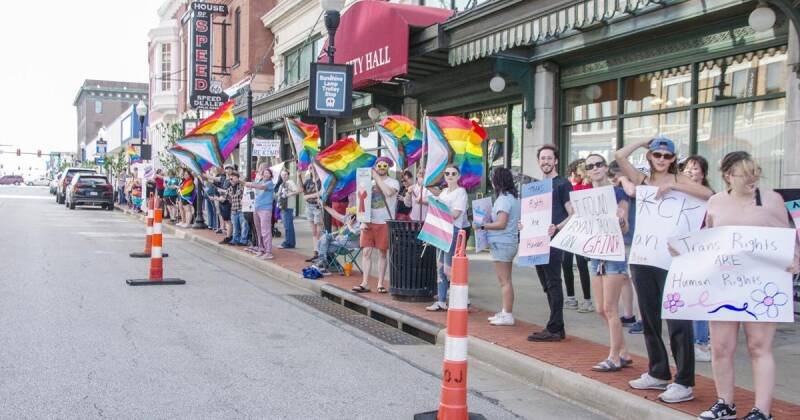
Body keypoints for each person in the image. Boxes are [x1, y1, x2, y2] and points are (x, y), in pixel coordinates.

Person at [696, 152, 799, 420]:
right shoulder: (715, 202)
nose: (753, 178)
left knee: (758, 346)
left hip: (761, 284)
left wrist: (795, 258)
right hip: (725, 283)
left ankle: (762, 411)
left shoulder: (772, 200)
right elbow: (708, 237)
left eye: (756, 171)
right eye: (745, 173)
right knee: (721, 346)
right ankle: (725, 404)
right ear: (728, 175)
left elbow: (790, 236)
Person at [615, 136, 713, 403]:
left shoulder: (680, 180)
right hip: (643, 256)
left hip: (672, 260)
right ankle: (658, 371)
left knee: (678, 320)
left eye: (667, 156)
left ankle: (683, 380)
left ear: (673, 159)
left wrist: (673, 185)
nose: (661, 160)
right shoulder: (643, 180)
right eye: (657, 155)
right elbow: (619, 155)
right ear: (650, 156)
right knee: (649, 318)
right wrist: (643, 141)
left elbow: (709, 195)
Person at [579, 154, 633, 372]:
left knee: (610, 308)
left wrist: (620, 219)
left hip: (612, 254)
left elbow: (625, 228)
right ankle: (624, 351)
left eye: (599, 164)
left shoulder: (618, 193)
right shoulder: (584, 196)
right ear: (586, 171)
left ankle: (614, 356)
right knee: (601, 309)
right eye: (590, 166)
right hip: (595, 255)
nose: (595, 168)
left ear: (605, 168)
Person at [527, 145, 573, 342]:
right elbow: (532, 214)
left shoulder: (562, 184)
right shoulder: (537, 186)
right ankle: (557, 326)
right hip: (536, 240)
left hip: (554, 241)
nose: (545, 162)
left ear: (555, 161)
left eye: (549, 158)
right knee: (546, 285)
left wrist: (558, 227)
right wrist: (524, 224)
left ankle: (554, 328)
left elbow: (573, 213)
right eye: (542, 158)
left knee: (553, 283)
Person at [475, 167, 520, 325]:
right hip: (507, 242)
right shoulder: (512, 198)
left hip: (502, 242)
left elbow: (501, 223)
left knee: (505, 281)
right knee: (505, 280)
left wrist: (482, 226)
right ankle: (505, 311)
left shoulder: (503, 200)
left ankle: (507, 314)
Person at [682, 155, 714, 363]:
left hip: (703, 250)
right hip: (681, 251)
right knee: (685, 297)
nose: (690, 172)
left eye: (694, 169)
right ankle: (691, 339)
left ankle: (700, 341)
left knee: (700, 297)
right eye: (687, 168)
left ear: (703, 173)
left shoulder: (709, 197)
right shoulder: (679, 194)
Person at [352, 156, 399, 294]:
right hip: (368, 221)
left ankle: (380, 283)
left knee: (382, 253)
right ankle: (365, 283)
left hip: (384, 222)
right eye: (379, 166)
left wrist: (376, 178)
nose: (381, 168)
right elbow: (361, 200)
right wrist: (361, 220)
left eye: (384, 166)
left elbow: (389, 192)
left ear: (388, 167)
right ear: (376, 167)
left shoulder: (393, 182)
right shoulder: (368, 182)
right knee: (366, 252)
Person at [426, 163, 469, 311]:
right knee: (440, 267)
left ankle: (459, 298)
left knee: (448, 267)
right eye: (447, 174)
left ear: (458, 176)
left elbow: (456, 214)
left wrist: (440, 208)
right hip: (441, 230)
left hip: (453, 230)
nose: (450, 176)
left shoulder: (461, 192)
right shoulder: (444, 192)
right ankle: (442, 300)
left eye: (453, 174)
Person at [608, 161, 641, 333]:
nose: (614, 179)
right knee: (624, 279)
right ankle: (629, 314)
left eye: (617, 175)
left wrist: (623, 178)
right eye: (612, 175)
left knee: (636, 281)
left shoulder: (634, 185)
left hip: (635, 238)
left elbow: (632, 191)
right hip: (621, 239)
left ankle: (642, 318)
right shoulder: (615, 191)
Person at [563, 158, 593, 313]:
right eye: (573, 173)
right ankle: (570, 297)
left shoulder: (585, 186)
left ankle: (587, 299)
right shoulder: (568, 185)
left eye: (578, 174)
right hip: (569, 229)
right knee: (566, 263)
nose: (574, 176)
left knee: (582, 265)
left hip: (582, 229)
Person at [245, 165, 274, 260]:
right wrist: (240, 181)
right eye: (264, 172)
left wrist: (251, 184)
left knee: (265, 231)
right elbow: (250, 184)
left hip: (265, 209)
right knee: (259, 230)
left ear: (270, 175)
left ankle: (268, 252)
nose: (265, 174)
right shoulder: (259, 181)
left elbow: (261, 187)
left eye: (268, 173)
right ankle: (261, 249)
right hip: (256, 208)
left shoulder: (270, 183)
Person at [300, 169, 322, 261]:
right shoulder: (308, 181)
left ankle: (320, 253)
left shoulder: (320, 180)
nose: (311, 170)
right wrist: (299, 177)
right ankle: (315, 252)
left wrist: (309, 196)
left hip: (317, 207)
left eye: (312, 168)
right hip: (309, 206)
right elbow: (301, 189)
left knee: (319, 232)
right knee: (313, 232)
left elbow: (321, 192)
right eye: (310, 168)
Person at [220, 171, 248, 246]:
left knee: (244, 226)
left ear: (237, 178)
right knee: (236, 227)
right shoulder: (230, 189)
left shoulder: (241, 186)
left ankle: (243, 240)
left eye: (234, 178)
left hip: (241, 210)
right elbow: (224, 198)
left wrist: (238, 180)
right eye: (230, 178)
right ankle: (235, 240)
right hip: (233, 211)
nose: (232, 180)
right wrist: (215, 198)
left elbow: (245, 183)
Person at [277, 169, 299, 249]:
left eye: (285, 174)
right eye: (282, 175)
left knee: (288, 225)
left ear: (288, 175)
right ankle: (290, 242)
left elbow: (297, 191)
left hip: (288, 206)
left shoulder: (290, 182)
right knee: (287, 225)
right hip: (283, 206)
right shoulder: (282, 184)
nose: (283, 176)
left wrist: (289, 194)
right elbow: (279, 194)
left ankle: (288, 243)